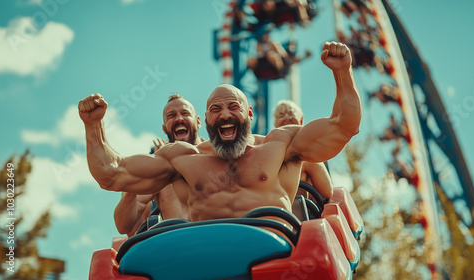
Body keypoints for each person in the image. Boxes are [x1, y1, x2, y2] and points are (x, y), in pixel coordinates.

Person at [78, 41, 361, 233]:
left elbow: (342, 126)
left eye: (233, 107)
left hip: (277, 256)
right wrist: (93, 127)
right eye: (216, 109)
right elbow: (111, 174)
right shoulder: (183, 159)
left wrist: (343, 72)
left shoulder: (280, 144)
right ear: (207, 120)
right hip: (207, 261)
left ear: (249, 114)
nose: (225, 114)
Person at [113, 94, 203, 236]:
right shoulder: (158, 168)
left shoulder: (215, 156)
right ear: (164, 128)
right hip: (177, 245)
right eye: (171, 116)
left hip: (216, 238)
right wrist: (131, 186)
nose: (179, 119)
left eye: (185, 113)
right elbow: (123, 226)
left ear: (198, 122)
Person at [273, 100, 333, 201]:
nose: (287, 117)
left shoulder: (311, 151)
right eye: (281, 115)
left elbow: (327, 192)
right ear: (276, 124)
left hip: (306, 210)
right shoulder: (269, 151)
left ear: (301, 121)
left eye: (291, 113)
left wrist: (303, 160)